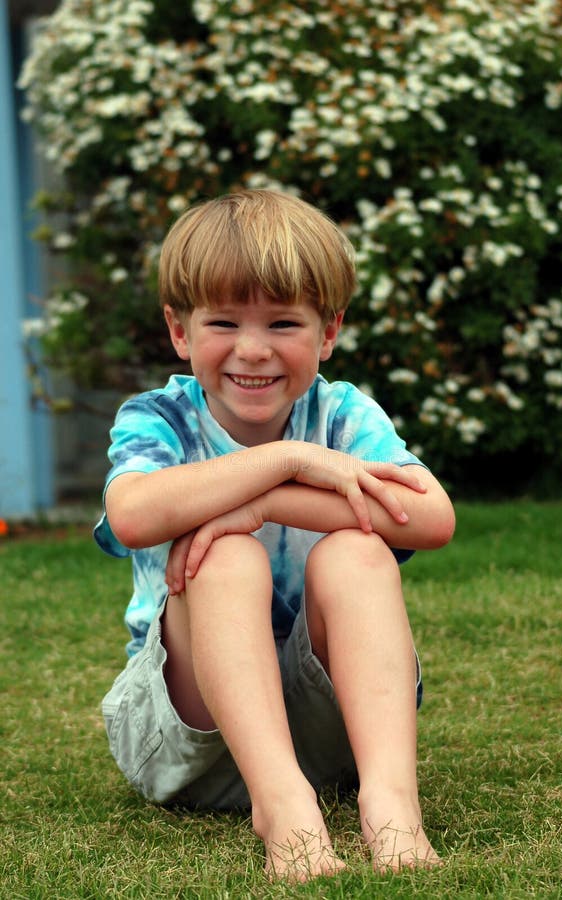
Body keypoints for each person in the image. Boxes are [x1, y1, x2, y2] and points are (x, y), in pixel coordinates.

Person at [95, 189, 455, 882]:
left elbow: (431, 518)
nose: (253, 350)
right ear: (180, 331)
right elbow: (133, 514)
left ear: (327, 332)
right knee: (220, 554)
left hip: (331, 742)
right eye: (224, 321)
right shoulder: (159, 418)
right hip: (184, 743)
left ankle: (392, 803)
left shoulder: (343, 414)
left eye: (284, 323)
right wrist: (287, 461)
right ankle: (282, 808)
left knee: (355, 549)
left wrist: (264, 503)